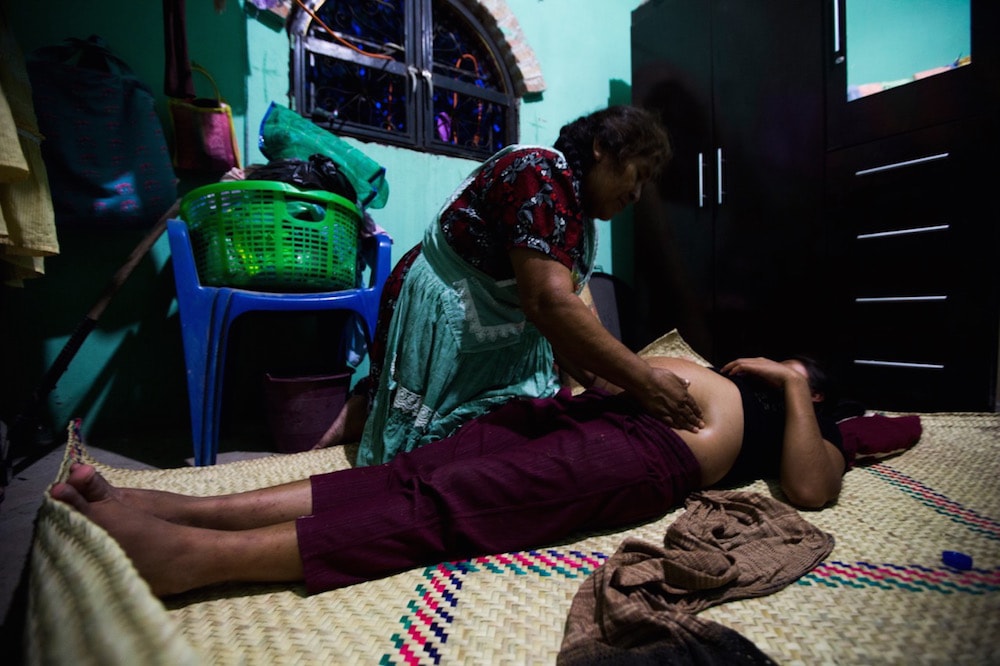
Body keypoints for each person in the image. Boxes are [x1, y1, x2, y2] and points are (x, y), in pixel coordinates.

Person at [49, 353, 847, 598]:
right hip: (596, 415)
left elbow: (813, 488)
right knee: (414, 470)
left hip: (646, 456)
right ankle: (191, 513)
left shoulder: (814, 421)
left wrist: (788, 380)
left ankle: (187, 560)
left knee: (450, 502)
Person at [332, 105, 704, 466]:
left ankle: (362, 408)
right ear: (602, 148)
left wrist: (616, 392)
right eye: (637, 174)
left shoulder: (577, 215)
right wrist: (645, 380)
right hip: (451, 303)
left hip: (497, 319)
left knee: (511, 432)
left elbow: (569, 327)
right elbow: (549, 302)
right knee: (428, 458)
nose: (637, 195)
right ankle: (358, 413)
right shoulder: (539, 172)